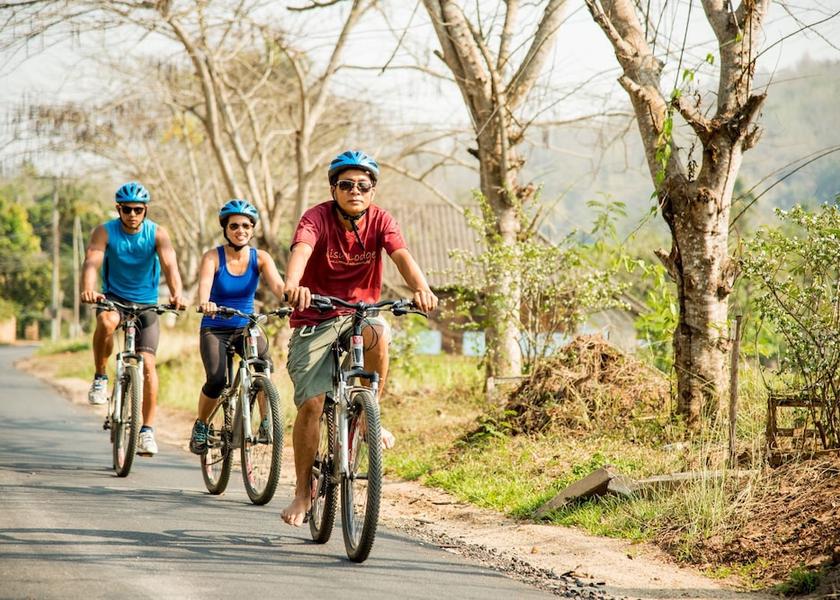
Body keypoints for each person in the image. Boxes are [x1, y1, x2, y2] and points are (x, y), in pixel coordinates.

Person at [280, 150, 438, 526]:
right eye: (346, 185)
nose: (355, 191)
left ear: (372, 191)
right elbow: (302, 250)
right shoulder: (315, 218)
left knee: (378, 330)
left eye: (363, 186)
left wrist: (422, 288)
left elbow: (402, 256)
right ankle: (302, 492)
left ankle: (369, 412)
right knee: (313, 404)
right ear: (333, 189)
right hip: (316, 317)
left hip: (358, 314)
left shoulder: (381, 220)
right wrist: (293, 285)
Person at [80, 181, 185, 457]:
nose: (132, 214)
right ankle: (100, 377)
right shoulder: (105, 231)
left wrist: (177, 294)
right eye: (127, 209)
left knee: (148, 364)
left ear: (145, 210)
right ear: (119, 209)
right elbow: (92, 261)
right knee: (106, 322)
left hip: (146, 303)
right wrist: (88, 288)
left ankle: (147, 431)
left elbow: (170, 265)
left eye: (138, 209)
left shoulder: (157, 233)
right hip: (114, 299)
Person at [188, 199, 286, 454]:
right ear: (225, 229)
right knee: (217, 380)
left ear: (252, 229)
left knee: (263, 366)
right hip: (215, 327)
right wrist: (205, 302)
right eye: (234, 226)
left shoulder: (260, 257)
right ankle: (201, 425)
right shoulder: (213, 257)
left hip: (246, 327)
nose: (240, 230)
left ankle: (266, 422)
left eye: (246, 226)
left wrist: (290, 298)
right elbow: (204, 286)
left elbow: (278, 286)